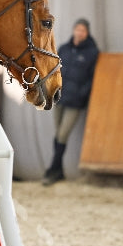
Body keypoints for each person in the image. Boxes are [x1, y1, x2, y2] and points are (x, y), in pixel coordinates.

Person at [42, 18, 99, 186]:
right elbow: (55, 69)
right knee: (58, 133)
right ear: (74, 30)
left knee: (62, 135)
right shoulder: (64, 49)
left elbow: (91, 78)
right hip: (59, 97)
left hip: (75, 102)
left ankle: (53, 169)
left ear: (87, 33)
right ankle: (58, 171)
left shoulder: (92, 52)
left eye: (83, 30)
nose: (79, 33)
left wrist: (82, 95)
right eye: (77, 29)